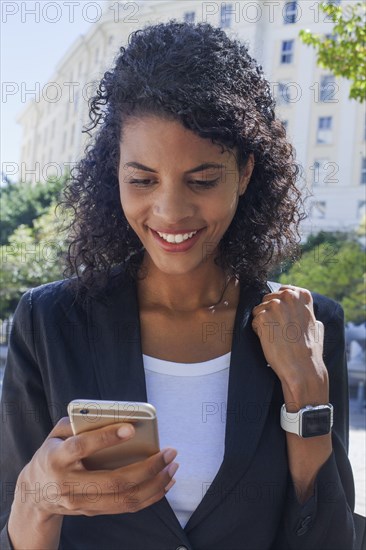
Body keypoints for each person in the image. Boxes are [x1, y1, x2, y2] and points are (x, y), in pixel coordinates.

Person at [0, 20, 356, 550]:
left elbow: (331, 538)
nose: (170, 212)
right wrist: (37, 498)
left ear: (246, 173)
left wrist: (306, 392)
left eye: (203, 180)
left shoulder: (309, 325)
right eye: (142, 180)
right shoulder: (50, 322)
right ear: (113, 174)